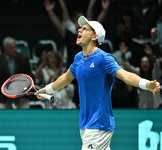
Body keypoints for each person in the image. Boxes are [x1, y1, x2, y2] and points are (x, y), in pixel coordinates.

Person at [36, 16, 160, 149]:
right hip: (85, 122)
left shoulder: (103, 58)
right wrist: (47, 89)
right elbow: (65, 78)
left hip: (99, 123)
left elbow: (124, 75)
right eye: (80, 28)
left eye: (84, 29)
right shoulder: (78, 58)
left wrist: (146, 84)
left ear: (94, 36)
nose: (79, 30)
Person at [0, 36, 33, 109]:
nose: (14, 50)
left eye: (15, 47)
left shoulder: (23, 59)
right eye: (11, 48)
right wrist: (3, 89)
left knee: (24, 112)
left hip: (21, 93)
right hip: (4, 94)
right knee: (3, 113)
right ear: (6, 49)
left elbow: (29, 75)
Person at [121, 44, 162, 109]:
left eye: (146, 62)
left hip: (156, 108)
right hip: (142, 108)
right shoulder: (138, 72)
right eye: (142, 62)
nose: (144, 64)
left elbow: (156, 65)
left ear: (150, 64)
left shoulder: (155, 74)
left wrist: (151, 55)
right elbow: (127, 66)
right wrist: (123, 55)